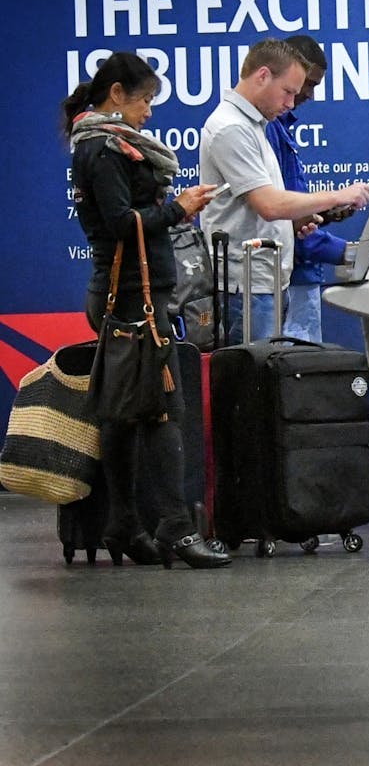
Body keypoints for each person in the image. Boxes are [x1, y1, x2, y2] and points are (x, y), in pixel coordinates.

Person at [65, 52, 232, 568]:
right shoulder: (104, 149)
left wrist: (172, 208)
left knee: (124, 412)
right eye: (144, 100)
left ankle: (122, 525)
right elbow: (120, 221)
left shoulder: (105, 146)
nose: (149, 112)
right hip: (132, 298)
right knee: (162, 409)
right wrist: (177, 209)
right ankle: (176, 530)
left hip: (128, 294)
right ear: (116, 95)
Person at [199, 38, 369, 346]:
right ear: (263, 76)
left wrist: (294, 222)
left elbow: (267, 207)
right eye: (289, 92)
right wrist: (338, 195)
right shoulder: (232, 129)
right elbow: (269, 204)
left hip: (266, 281)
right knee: (257, 385)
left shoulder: (256, 126)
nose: (292, 104)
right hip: (248, 286)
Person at [262, 35, 351, 343]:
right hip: (290, 274)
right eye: (305, 84)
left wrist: (323, 214)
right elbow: (277, 211)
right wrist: (349, 253)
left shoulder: (280, 128)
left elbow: (294, 210)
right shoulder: (268, 129)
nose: (308, 94)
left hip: (297, 270)